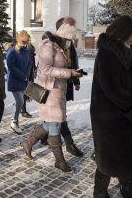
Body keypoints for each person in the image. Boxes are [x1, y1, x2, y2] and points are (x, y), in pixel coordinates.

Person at [20, 24, 83, 172]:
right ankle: (59, 161)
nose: (70, 42)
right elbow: (45, 69)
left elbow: (63, 67)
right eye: (69, 39)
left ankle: (28, 143)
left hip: (59, 91)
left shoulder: (63, 48)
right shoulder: (48, 46)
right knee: (55, 124)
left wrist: (74, 73)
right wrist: (69, 73)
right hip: (48, 91)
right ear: (63, 36)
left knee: (51, 123)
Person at [90, 15, 132, 198]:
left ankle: (127, 188)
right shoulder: (107, 53)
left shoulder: (129, 49)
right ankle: (100, 192)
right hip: (110, 116)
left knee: (125, 156)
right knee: (108, 158)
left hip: (127, 114)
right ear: (123, 31)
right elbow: (112, 89)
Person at [41, 17, 84, 157]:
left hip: (65, 84)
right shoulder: (50, 44)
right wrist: (70, 73)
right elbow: (45, 68)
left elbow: (73, 61)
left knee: (57, 117)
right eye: (71, 27)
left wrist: (75, 78)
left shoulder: (67, 43)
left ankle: (36, 139)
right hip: (52, 87)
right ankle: (67, 147)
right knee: (58, 118)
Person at [6, 30, 32, 134]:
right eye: (23, 42)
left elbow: (29, 63)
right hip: (15, 81)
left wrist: (27, 76)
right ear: (19, 41)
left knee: (20, 102)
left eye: (26, 43)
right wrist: (23, 76)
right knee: (20, 101)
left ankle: (15, 119)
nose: (24, 45)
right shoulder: (12, 51)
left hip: (24, 80)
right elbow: (11, 67)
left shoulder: (27, 51)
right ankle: (14, 121)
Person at [20, 39, 37, 118]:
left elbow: (32, 62)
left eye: (30, 40)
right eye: (28, 40)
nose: (29, 41)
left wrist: (35, 69)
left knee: (26, 92)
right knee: (24, 92)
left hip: (30, 73)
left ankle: (22, 109)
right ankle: (23, 110)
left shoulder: (31, 50)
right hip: (25, 74)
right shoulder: (24, 50)